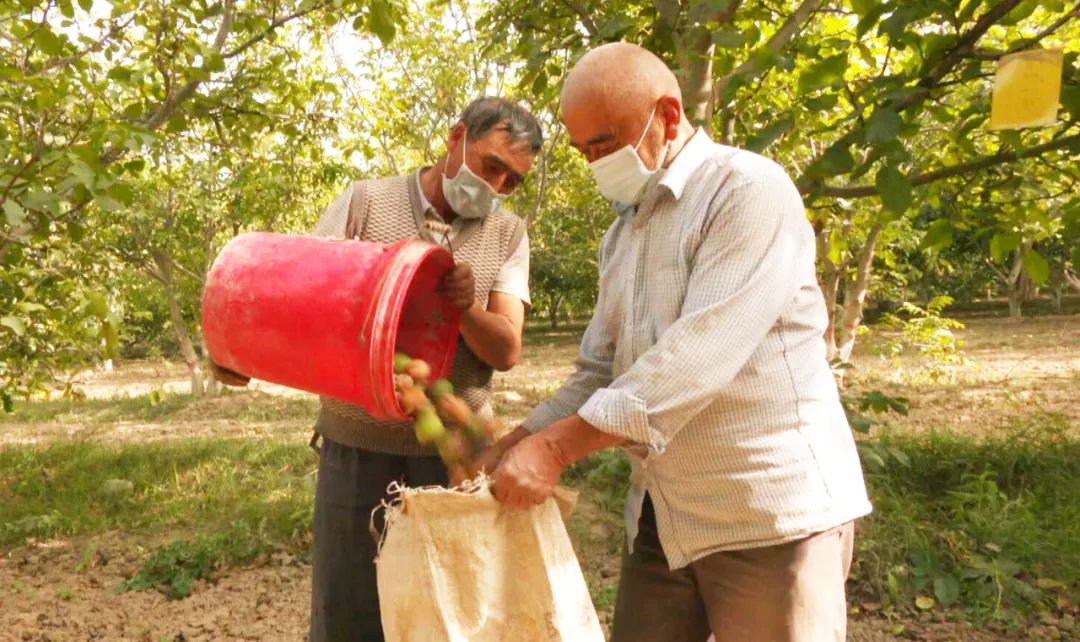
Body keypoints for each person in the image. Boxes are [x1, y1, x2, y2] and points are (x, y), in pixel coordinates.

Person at [484, 43, 872, 642]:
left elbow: (694, 362)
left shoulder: (747, 192)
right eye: (584, 151)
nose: (595, 164)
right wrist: (518, 440)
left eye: (605, 144)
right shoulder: (623, 234)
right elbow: (598, 371)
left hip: (768, 517)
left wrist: (555, 451)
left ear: (666, 115)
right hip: (664, 518)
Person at [212, 97, 542, 642]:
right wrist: (240, 351)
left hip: (452, 461)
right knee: (349, 613)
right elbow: (303, 293)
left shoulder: (507, 235)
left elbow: (506, 350)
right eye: (491, 166)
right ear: (455, 137)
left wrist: (464, 309)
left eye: (512, 181)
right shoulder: (366, 203)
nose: (498, 187)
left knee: (448, 615)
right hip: (356, 449)